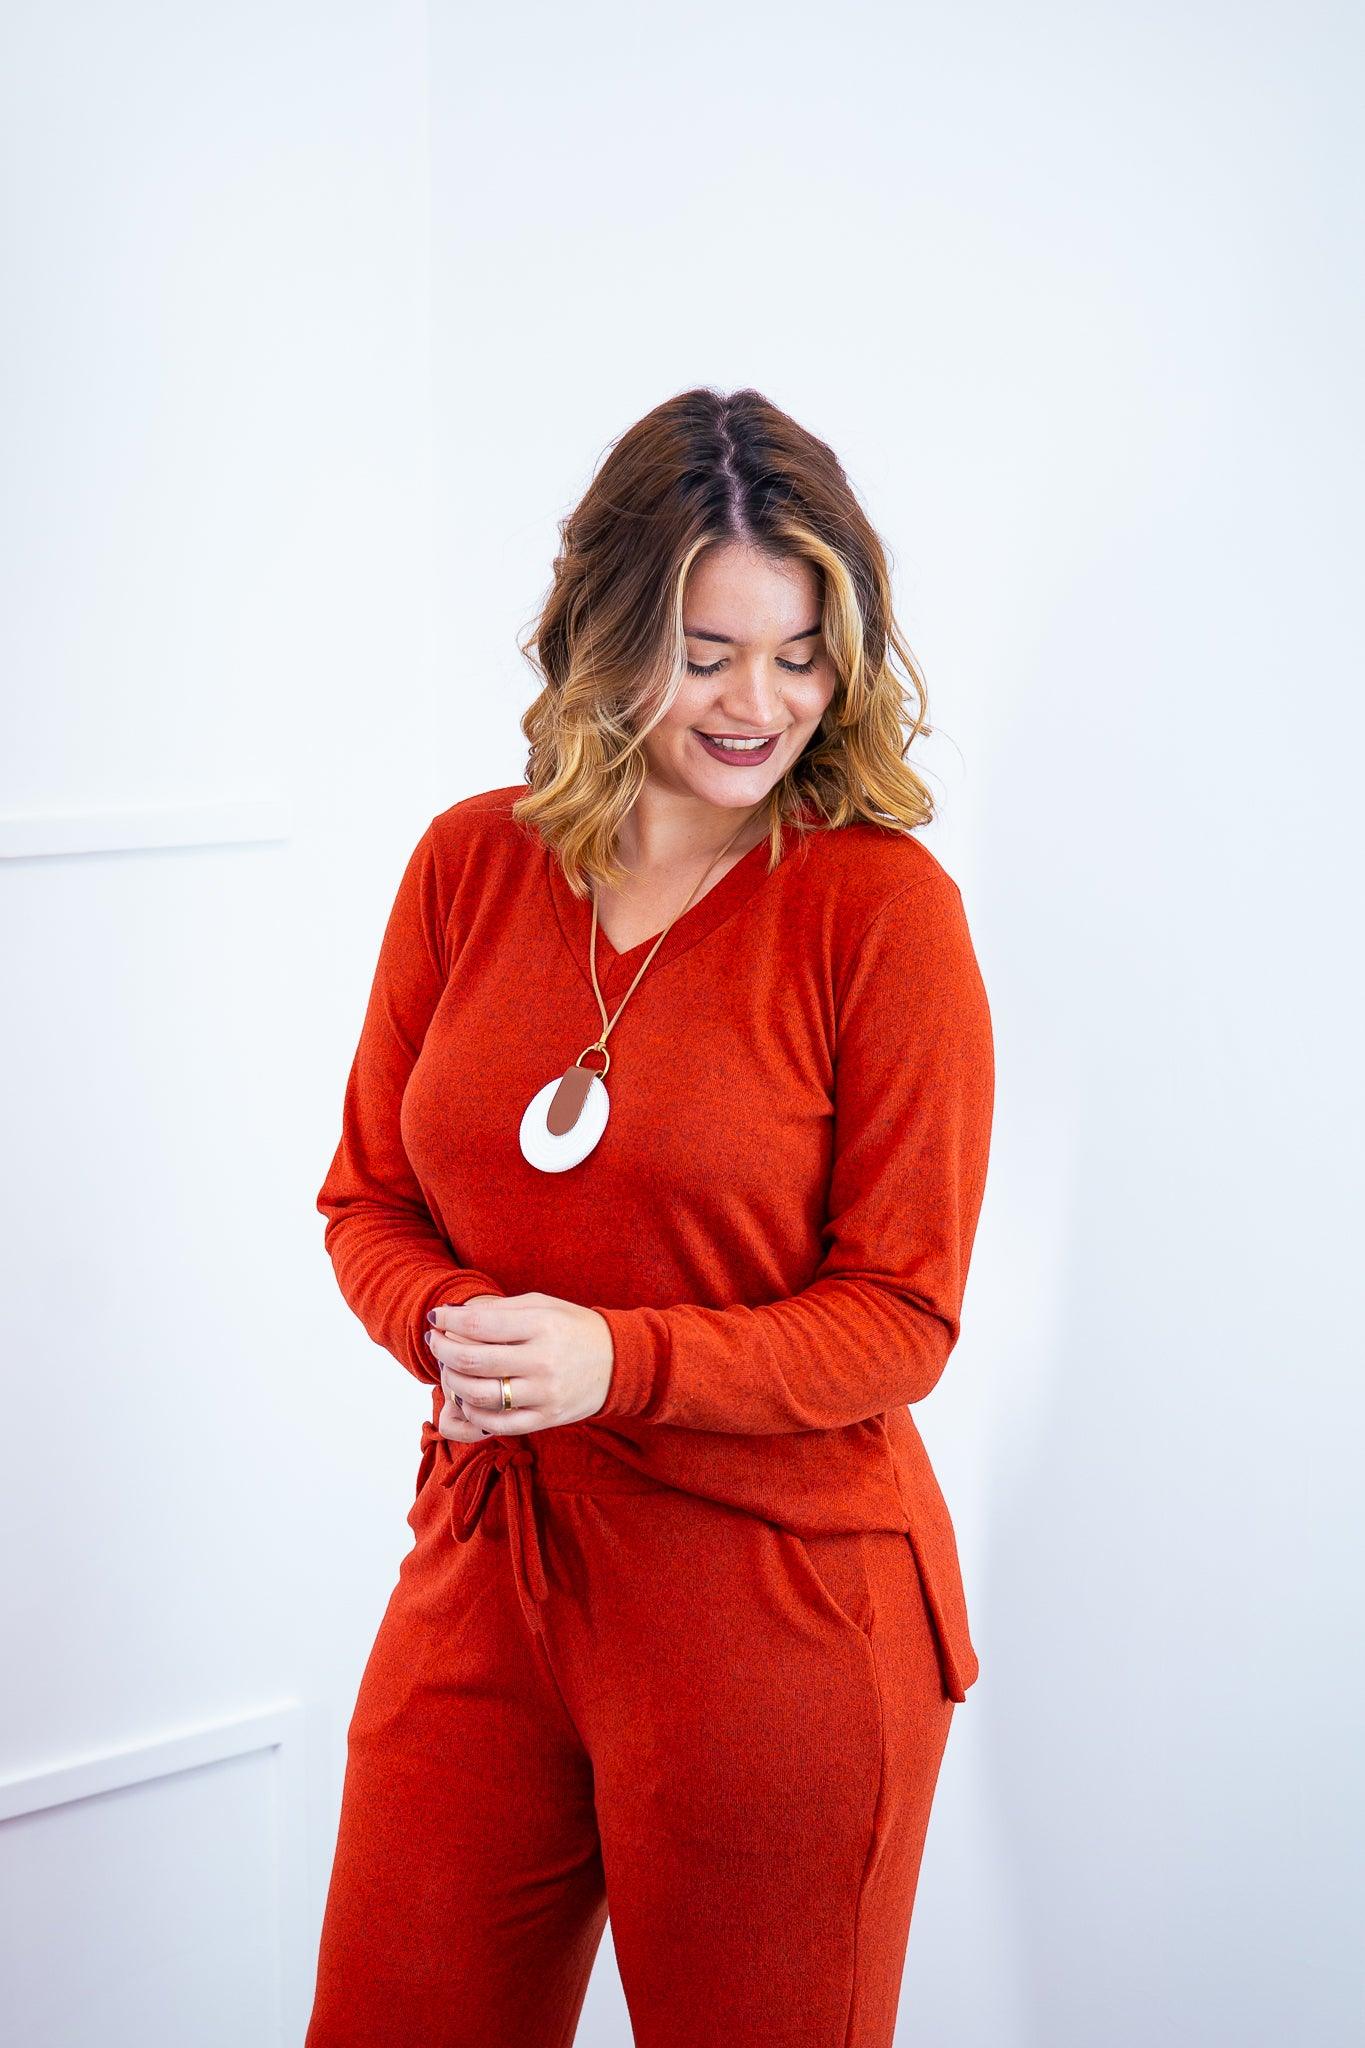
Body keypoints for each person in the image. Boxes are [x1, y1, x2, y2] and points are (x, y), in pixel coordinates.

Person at [304, 386, 996, 2048]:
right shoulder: (468, 865)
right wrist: (451, 1331)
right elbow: (365, 1198)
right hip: (485, 1565)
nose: (759, 703)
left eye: (801, 655)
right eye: (704, 652)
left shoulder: (880, 915)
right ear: (606, 636)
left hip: (775, 1605)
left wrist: (613, 1362)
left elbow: (901, 1317)